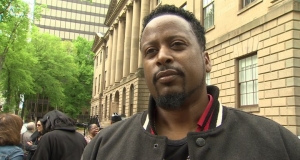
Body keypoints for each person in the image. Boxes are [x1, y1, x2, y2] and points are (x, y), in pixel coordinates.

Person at [81, 4, 300, 160]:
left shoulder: (278, 144)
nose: (162, 57)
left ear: (206, 61)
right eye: (151, 51)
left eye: (176, 44)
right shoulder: (103, 148)